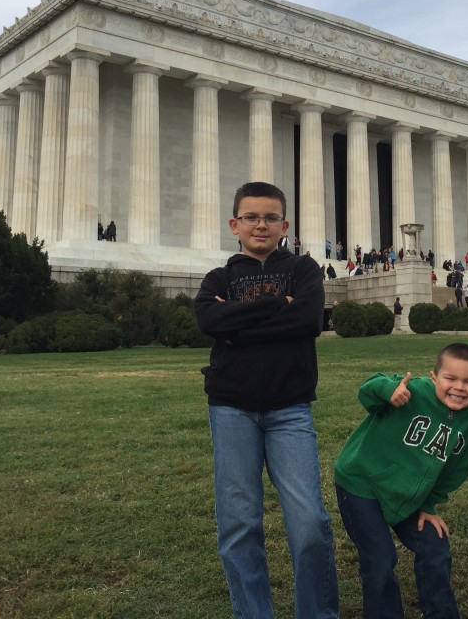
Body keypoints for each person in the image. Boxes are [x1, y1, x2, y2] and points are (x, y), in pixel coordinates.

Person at [193, 181, 338, 619]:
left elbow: (308, 319)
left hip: (289, 407)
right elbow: (208, 321)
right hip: (231, 407)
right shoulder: (219, 277)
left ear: (285, 225)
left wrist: (237, 323)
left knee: (310, 521)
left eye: (270, 217)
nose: (261, 224)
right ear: (234, 224)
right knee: (239, 522)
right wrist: (278, 305)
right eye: (252, 217)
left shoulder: (304, 270)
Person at [334, 344, 468, 619]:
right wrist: (387, 390)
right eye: (450, 379)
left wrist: (429, 505)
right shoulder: (412, 391)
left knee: (435, 545)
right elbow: (367, 391)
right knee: (380, 557)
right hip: (362, 484)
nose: (459, 387)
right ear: (433, 377)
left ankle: (441, 613)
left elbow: (457, 470)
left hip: (410, 497)